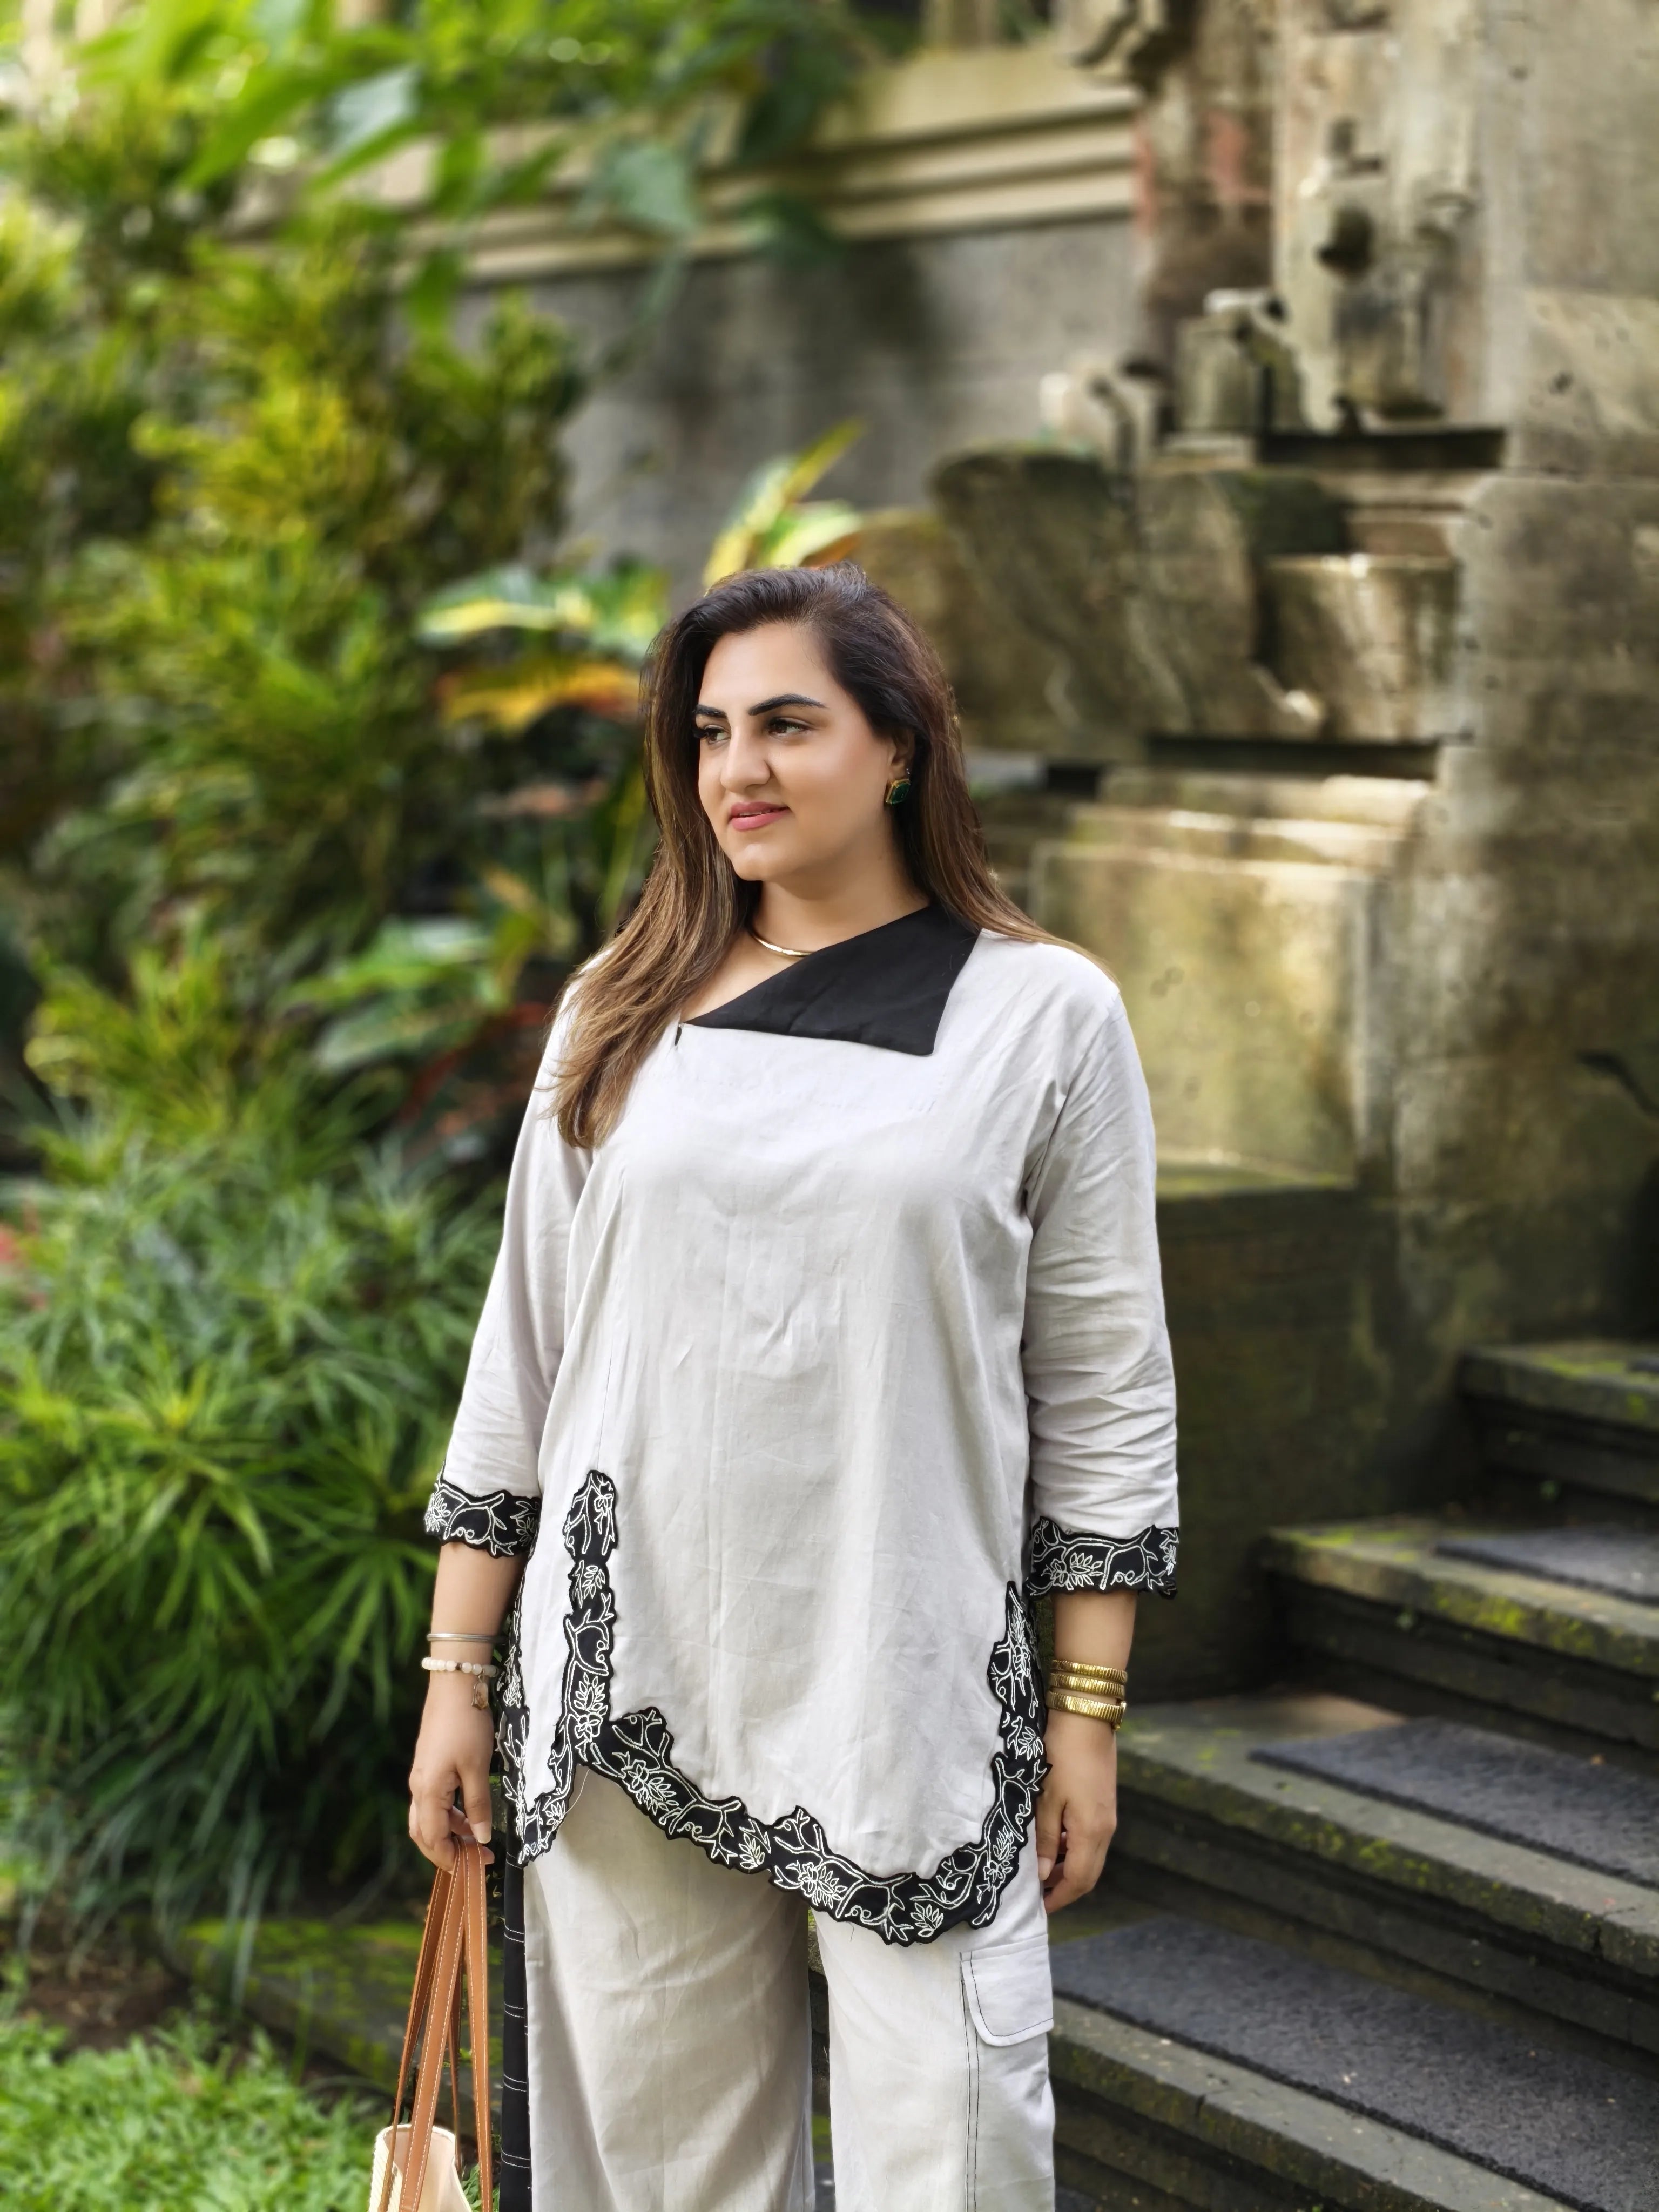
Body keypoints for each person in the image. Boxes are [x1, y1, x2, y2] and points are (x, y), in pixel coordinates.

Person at [407, 563, 1179, 2212]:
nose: (736, 770)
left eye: (785, 725)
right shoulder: (622, 1004)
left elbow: (1107, 1394)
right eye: (707, 734)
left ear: (899, 746)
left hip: (905, 1687)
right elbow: (524, 1357)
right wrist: (457, 1674)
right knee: (660, 2176)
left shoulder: (1045, 1017)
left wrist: (1087, 1717)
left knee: (957, 2154)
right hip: (626, 1679)